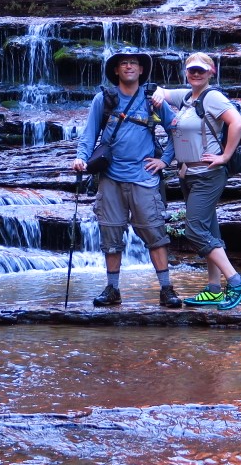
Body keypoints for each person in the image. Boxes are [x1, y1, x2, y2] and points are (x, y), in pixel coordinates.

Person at [72, 50, 182, 308]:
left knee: (155, 234)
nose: (130, 67)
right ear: (116, 70)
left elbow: (176, 129)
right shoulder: (104, 99)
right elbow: (89, 135)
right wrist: (80, 158)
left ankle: (166, 290)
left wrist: (164, 160)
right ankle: (112, 290)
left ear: (141, 70)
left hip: (144, 179)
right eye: (124, 63)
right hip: (110, 178)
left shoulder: (152, 99)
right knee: (110, 236)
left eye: (134, 63)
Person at [153, 52, 241, 310]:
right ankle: (213, 289)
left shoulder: (213, 97)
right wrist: (158, 94)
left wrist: (225, 156)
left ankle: (236, 280)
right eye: (191, 70)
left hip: (208, 174)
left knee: (194, 230)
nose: (195, 74)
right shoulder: (187, 97)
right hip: (189, 174)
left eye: (200, 70)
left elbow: (237, 122)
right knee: (209, 231)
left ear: (211, 72)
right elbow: (161, 91)